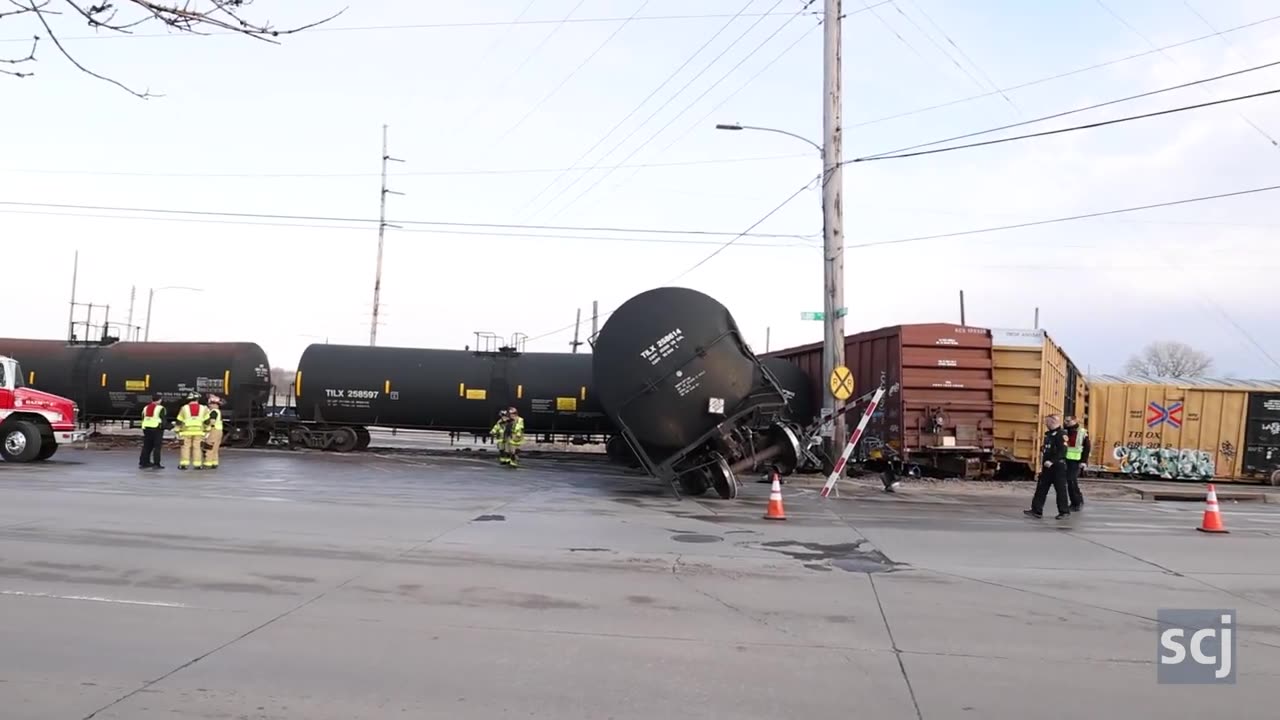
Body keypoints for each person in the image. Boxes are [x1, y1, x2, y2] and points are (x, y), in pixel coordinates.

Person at [1025, 414, 1071, 520]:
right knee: (1041, 488)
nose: (1045, 424)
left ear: (1053, 422)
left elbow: (1062, 451)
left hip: (1057, 467)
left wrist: (1052, 460)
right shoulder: (1049, 435)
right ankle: (1036, 510)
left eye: (1047, 422)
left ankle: (1064, 511)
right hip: (1047, 467)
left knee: (1060, 490)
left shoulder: (1061, 434)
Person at [175, 392, 208, 470]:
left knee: (185, 447)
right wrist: (207, 431)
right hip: (199, 432)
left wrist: (177, 430)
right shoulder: (204, 408)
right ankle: (197, 465)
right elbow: (207, 421)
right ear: (197, 399)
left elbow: (179, 420)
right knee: (197, 448)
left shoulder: (184, 408)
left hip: (186, 432)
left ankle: (184, 464)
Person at [1063, 414, 1090, 512]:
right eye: (1065, 420)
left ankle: (1076, 503)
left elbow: (1086, 447)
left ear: (1074, 421)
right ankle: (1079, 499)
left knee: (1071, 481)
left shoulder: (1082, 432)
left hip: (1076, 461)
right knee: (1071, 481)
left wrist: (1083, 461)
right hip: (1066, 460)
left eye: (1068, 421)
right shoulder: (1064, 431)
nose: (1066, 422)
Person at [138, 392, 167, 469]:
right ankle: (156, 463)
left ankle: (143, 462)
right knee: (157, 447)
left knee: (147, 446)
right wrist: (165, 427)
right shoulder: (161, 408)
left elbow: (143, 417)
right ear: (160, 400)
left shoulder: (146, 407)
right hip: (156, 428)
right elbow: (163, 419)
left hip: (146, 428)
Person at [203, 395, 224, 470]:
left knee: (209, 447)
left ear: (214, 404)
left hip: (213, 431)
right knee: (215, 448)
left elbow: (212, 422)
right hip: (219, 431)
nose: (209, 405)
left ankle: (207, 464)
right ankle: (214, 463)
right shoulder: (218, 411)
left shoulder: (213, 412)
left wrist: (205, 427)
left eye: (210, 404)